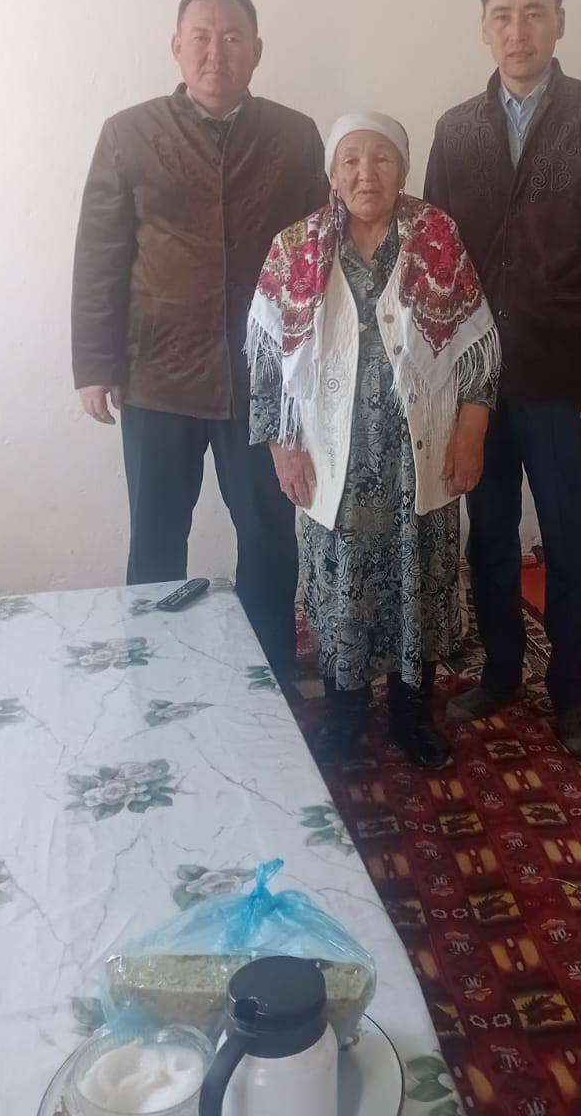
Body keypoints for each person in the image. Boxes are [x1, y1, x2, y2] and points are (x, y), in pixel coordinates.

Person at [71, 0, 327, 686]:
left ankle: (270, 684)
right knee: (156, 540)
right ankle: (154, 682)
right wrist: (94, 363)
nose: (218, 53)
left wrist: (314, 368)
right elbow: (100, 255)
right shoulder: (128, 133)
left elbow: (315, 260)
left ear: (257, 50)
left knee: (269, 536)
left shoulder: (294, 135)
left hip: (262, 383)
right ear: (177, 48)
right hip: (158, 376)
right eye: (202, 38)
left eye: (233, 37)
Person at [424, 0, 581, 758]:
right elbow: (436, 258)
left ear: (559, 22)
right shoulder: (456, 130)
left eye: (534, 13)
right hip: (476, 379)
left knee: (566, 533)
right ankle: (502, 671)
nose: (518, 30)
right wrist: (440, 371)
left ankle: (574, 692)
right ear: (484, 28)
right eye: (503, 16)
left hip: (561, 370)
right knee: (488, 531)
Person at [247, 113, 500, 770]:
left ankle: (413, 715)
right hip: (333, 460)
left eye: (382, 159)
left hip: (419, 454)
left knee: (419, 583)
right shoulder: (295, 247)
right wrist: (283, 446)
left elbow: (478, 347)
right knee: (342, 590)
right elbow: (266, 360)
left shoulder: (437, 237)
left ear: (403, 170)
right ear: (332, 173)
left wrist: (472, 431)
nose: (367, 173)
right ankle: (346, 714)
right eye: (351, 160)